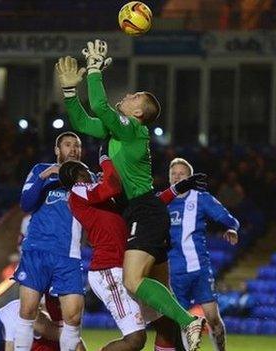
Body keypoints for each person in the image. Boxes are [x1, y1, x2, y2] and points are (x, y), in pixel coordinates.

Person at [56, 43, 205, 351]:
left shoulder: (133, 131)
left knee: (133, 282)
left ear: (137, 112)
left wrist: (95, 71)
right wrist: (71, 93)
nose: (128, 95)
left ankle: (189, 321)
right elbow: (84, 122)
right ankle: (182, 326)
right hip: (146, 212)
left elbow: (99, 106)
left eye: (134, 96)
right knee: (160, 301)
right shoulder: (117, 134)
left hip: (143, 213)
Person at [14, 131, 85, 351]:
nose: (72, 149)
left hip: (68, 255)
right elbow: (26, 204)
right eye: (67, 145)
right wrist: (46, 176)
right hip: (37, 250)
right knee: (27, 312)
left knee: (73, 319)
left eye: (77, 146)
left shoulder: (86, 177)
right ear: (57, 150)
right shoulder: (39, 170)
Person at [167, 158, 240, 351]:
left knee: (213, 320)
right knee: (179, 324)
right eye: (173, 174)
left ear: (189, 178)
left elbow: (229, 219)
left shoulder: (201, 198)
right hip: (174, 274)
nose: (176, 177)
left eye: (181, 174)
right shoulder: (162, 202)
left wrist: (230, 228)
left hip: (199, 270)